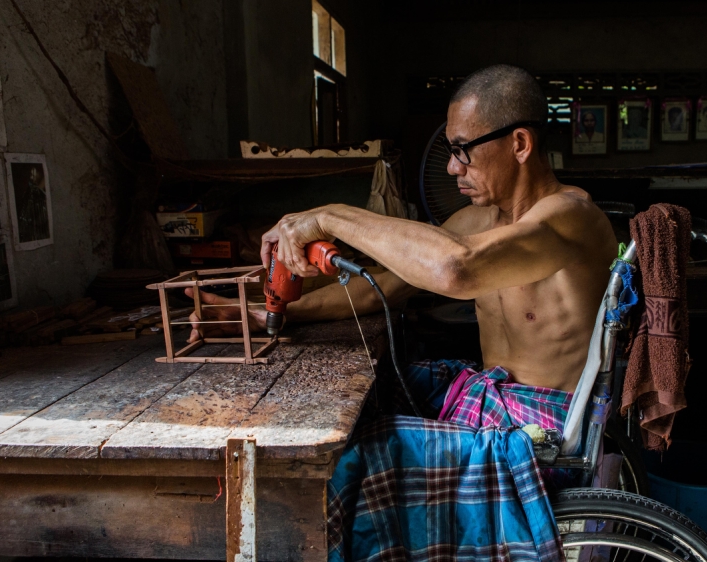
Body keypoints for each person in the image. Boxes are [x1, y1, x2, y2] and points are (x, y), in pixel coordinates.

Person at [187, 64, 618, 558]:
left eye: (462, 150)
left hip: (539, 431)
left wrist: (329, 216)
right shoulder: (477, 220)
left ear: (520, 144)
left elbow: (457, 269)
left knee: (353, 452)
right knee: (359, 398)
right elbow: (378, 290)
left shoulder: (573, 218)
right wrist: (270, 316)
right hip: (491, 401)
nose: (453, 167)